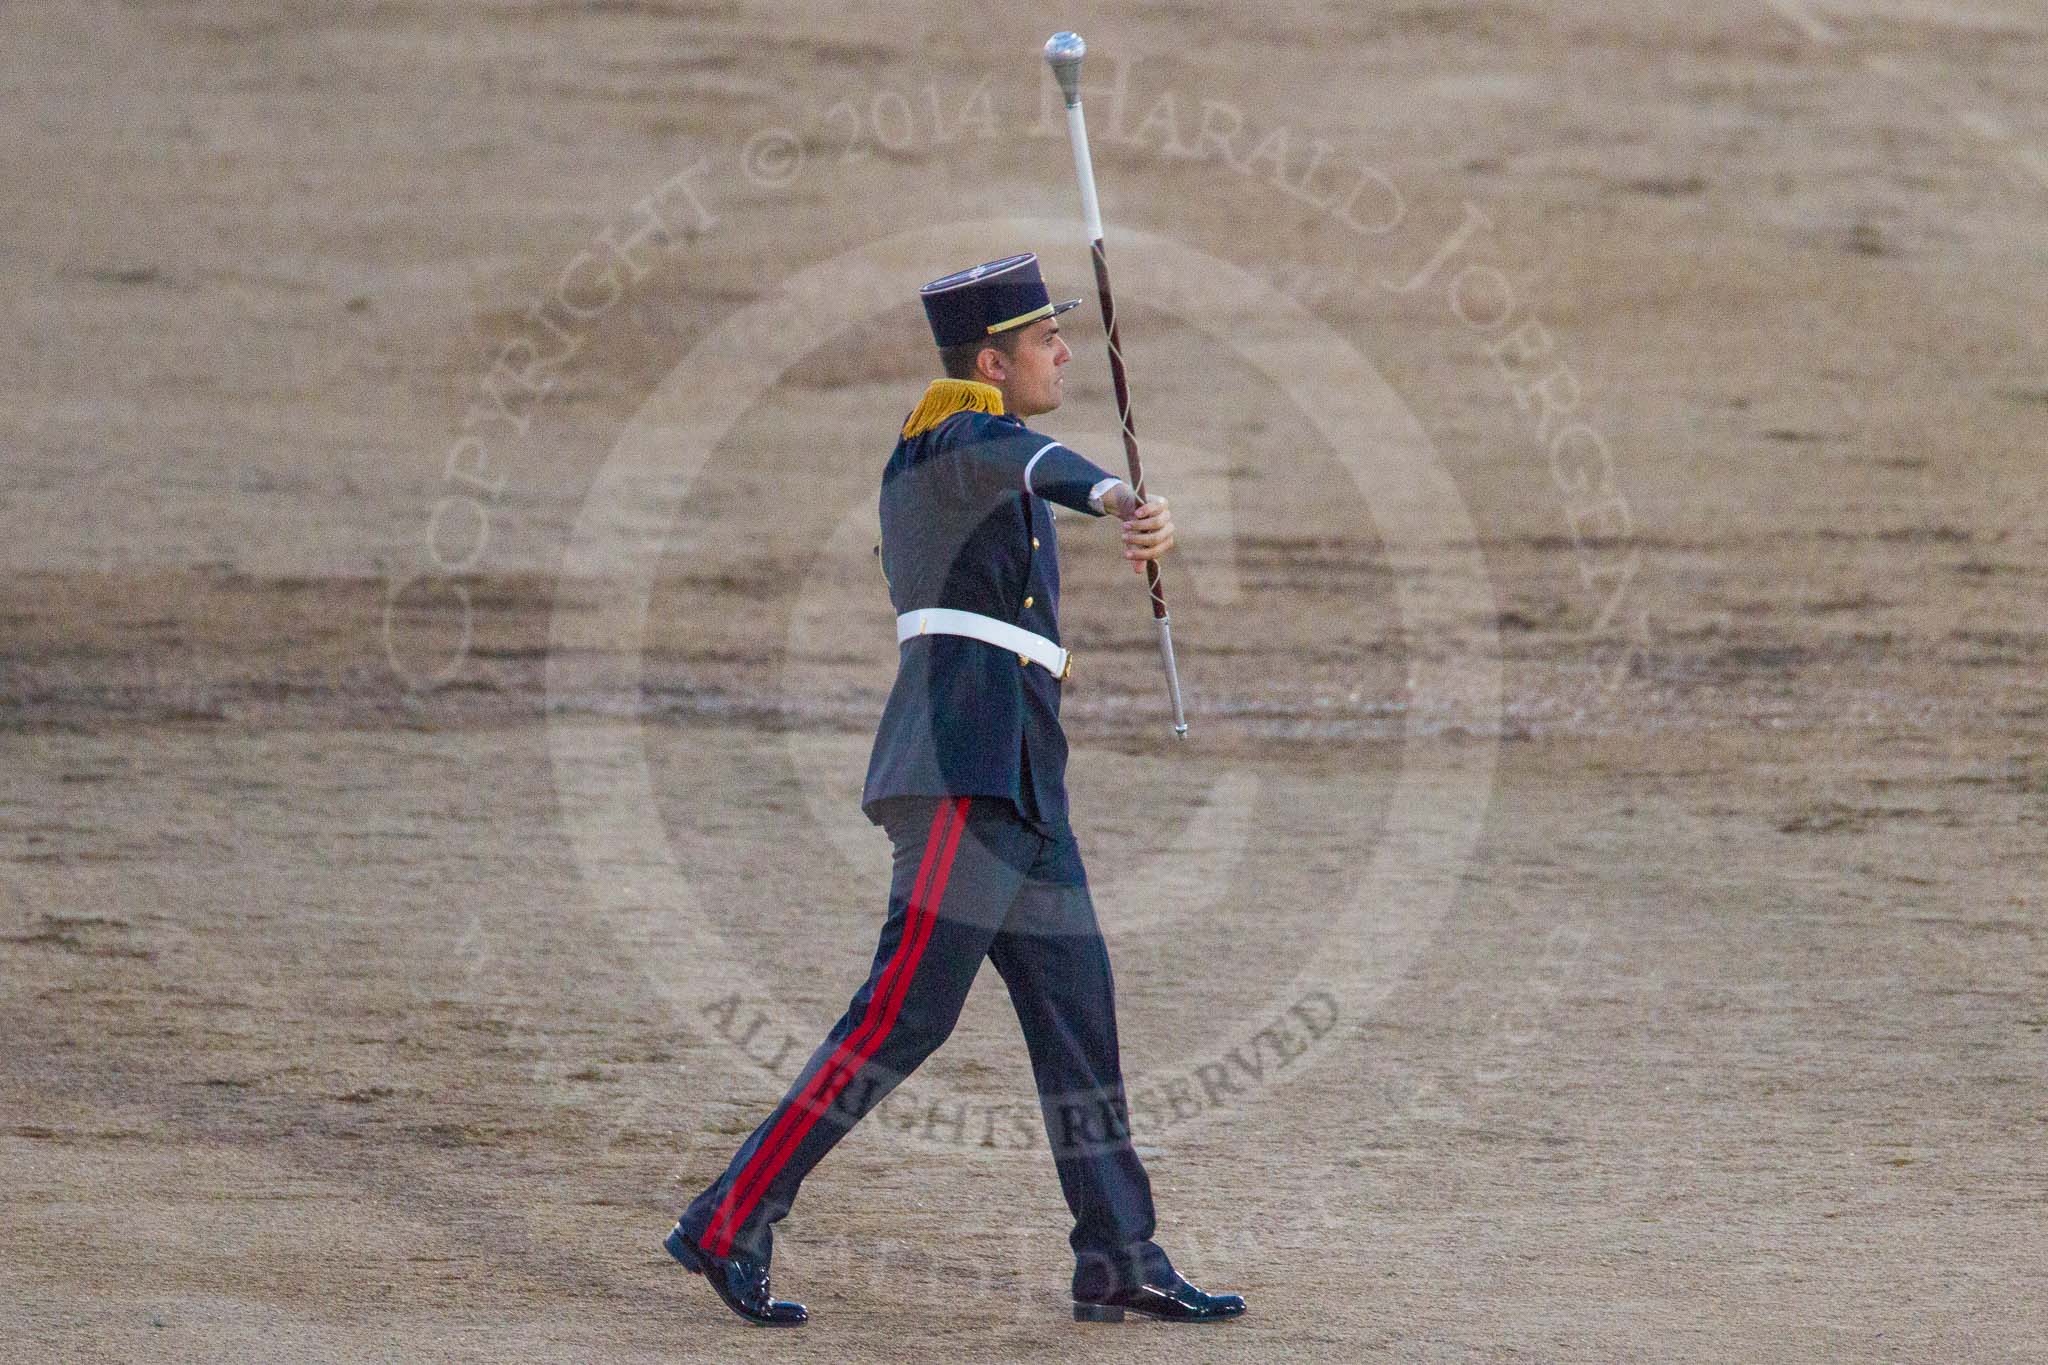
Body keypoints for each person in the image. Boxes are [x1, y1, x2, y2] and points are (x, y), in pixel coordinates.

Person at [661, 252, 1245, 1328]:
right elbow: (1035, 464)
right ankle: (727, 1217)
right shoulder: (951, 437)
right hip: (955, 771)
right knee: (899, 1016)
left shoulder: (987, 454)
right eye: (1043, 340)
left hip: (1020, 778)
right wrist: (1116, 493)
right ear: (991, 361)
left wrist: (1114, 506)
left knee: (1079, 1019)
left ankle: (1118, 1253)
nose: (1064, 351)